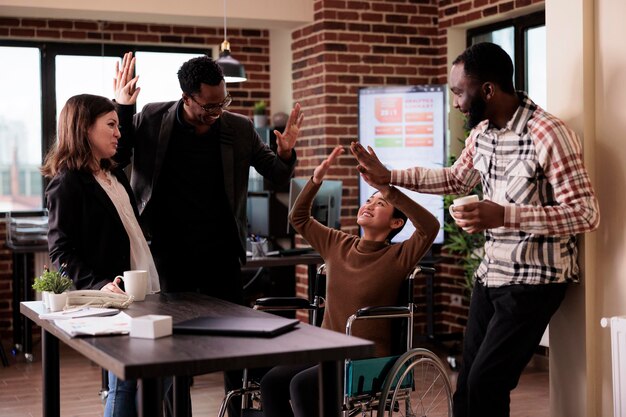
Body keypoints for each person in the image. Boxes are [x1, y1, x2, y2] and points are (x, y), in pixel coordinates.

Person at [350, 42, 601, 417]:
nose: (455, 102)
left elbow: (586, 214)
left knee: (488, 381)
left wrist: (504, 216)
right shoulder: (482, 133)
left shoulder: (549, 133)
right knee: (467, 384)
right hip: (490, 275)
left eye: (458, 91)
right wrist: (389, 176)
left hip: (536, 280)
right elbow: (454, 179)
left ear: (487, 90)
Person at [113, 52, 303, 417]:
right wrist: (123, 107)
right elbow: (118, 156)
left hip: (221, 252)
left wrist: (286, 153)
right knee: (173, 346)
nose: (216, 112)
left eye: (223, 103)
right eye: (209, 106)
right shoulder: (152, 117)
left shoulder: (239, 128)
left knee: (234, 343)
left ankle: (238, 410)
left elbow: (276, 176)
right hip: (167, 251)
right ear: (186, 96)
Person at [259, 145, 440, 417]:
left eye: (381, 205)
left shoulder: (399, 256)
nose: (370, 205)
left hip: (364, 359)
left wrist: (387, 189)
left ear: (395, 224)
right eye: (369, 200)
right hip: (326, 351)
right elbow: (297, 218)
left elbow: (430, 227)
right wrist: (316, 179)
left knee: (301, 386)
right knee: (271, 382)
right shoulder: (337, 243)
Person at [42, 94, 161, 417]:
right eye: (110, 125)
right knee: (124, 384)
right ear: (84, 129)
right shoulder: (66, 183)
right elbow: (61, 251)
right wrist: (99, 284)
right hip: (114, 298)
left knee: (159, 375)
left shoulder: (114, 174)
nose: (118, 133)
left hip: (146, 289)